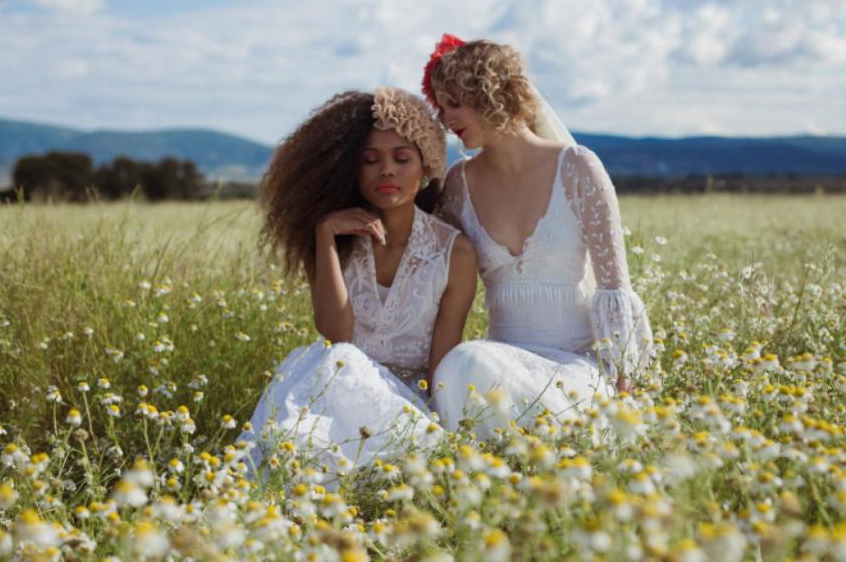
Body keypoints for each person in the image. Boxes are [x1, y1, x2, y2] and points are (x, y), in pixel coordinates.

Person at [423, 35, 654, 438]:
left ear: (494, 94)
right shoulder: (459, 183)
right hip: (500, 365)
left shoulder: (577, 168)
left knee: (470, 364)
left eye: (455, 103)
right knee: (464, 364)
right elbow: (430, 272)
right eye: (442, 106)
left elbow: (615, 289)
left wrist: (624, 391)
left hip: (576, 370)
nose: (446, 118)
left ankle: (558, 439)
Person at [239, 87, 476, 478]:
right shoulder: (334, 238)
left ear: (427, 165)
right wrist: (325, 233)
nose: (387, 170)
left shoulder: (456, 252)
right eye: (370, 160)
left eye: (402, 158)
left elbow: (443, 362)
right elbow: (337, 335)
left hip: (402, 401)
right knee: (336, 363)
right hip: (334, 386)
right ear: (352, 169)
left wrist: (445, 433)